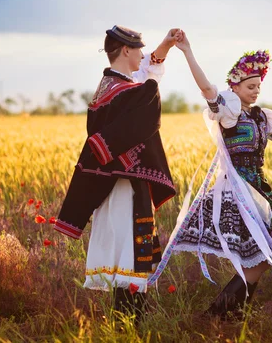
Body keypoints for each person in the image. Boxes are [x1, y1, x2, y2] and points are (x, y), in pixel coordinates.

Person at [148, 31, 272, 319]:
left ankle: (225, 311)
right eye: (250, 86)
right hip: (236, 189)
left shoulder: (264, 117)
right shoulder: (229, 113)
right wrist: (187, 51)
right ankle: (225, 312)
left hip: (259, 187)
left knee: (271, 252)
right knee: (264, 251)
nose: (254, 91)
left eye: (257, 87)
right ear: (235, 87)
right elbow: (205, 88)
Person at [54, 25, 180, 319]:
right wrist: (151, 87)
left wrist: (167, 45)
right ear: (126, 50)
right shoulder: (131, 92)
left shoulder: (107, 87)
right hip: (127, 186)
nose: (142, 55)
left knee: (124, 254)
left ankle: (126, 322)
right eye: (138, 50)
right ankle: (133, 324)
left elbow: (147, 71)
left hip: (109, 184)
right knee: (131, 254)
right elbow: (147, 97)